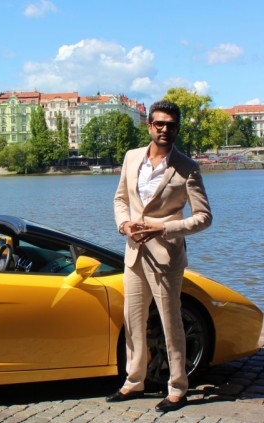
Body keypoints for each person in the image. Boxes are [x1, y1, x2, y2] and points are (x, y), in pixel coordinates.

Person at [109, 100, 212, 412]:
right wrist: (123, 223)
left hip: (166, 257)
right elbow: (120, 198)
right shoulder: (131, 158)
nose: (164, 129)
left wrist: (164, 227)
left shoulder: (187, 168)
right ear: (150, 126)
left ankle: (178, 387)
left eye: (171, 125)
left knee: (170, 323)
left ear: (177, 128)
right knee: (133, 320)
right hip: (134, 253)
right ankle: (134, 380)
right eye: (159, 124)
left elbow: (204, 217)